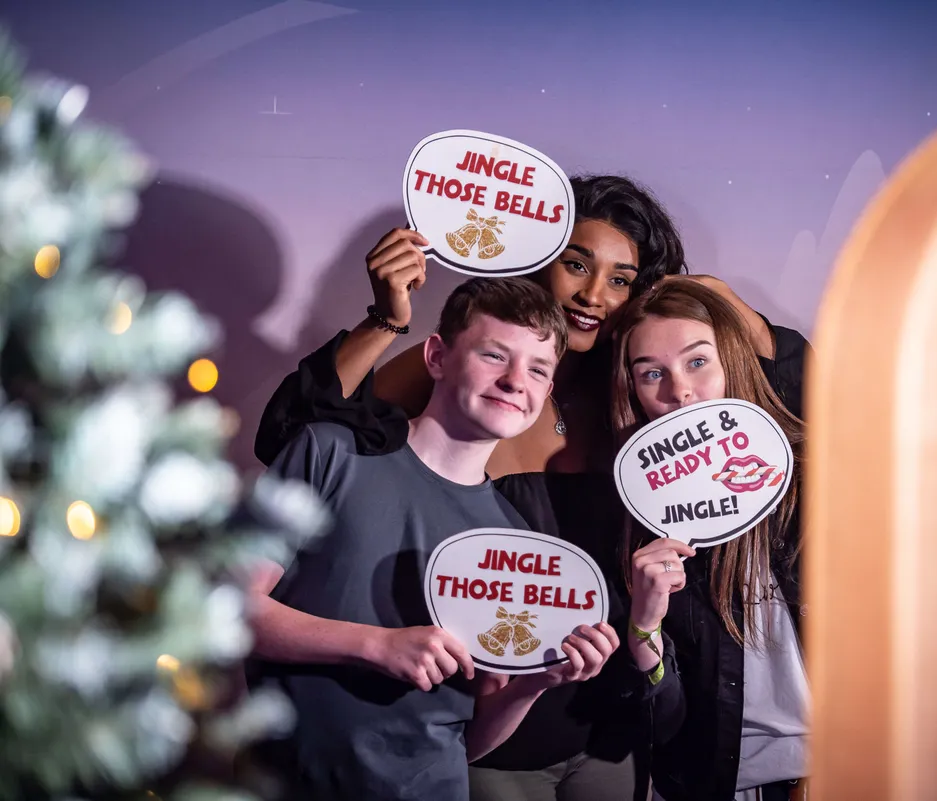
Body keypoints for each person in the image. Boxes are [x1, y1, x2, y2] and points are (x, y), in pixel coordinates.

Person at [252, 174, 811, 801]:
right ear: (541, 259)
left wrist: (715, 297)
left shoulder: (642, 392)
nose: (594, 293)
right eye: (577, 264)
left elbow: (791, 398)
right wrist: (386, 316)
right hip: (495, 725)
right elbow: (295, 440)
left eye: (621, 280)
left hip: (612, 729)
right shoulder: (479, 374)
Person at [245, 277, 620, 801]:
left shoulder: (513, 540)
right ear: (438, 356)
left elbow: (469, 742)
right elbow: (228, 610)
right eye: (494, 356)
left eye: (538, 369)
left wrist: (537, 681)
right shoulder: (329, 454)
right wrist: (375, 646)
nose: (516, 381)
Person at [613, 279, 809, 801]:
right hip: (719, 784)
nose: (679, 391)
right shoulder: (635, 517)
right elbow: (660, 719)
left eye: (698, 361)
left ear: (732, 361)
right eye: (652, 373)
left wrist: (718, 293)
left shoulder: (813, 474)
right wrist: (644, 625)